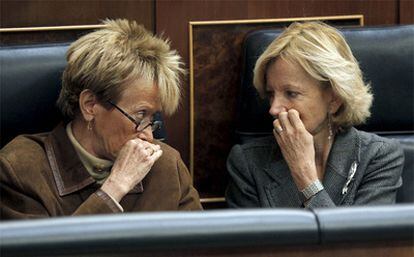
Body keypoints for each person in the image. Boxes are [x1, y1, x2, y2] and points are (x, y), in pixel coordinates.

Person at [0, 19, 202, 219]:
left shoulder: (166, 165)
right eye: (140, 115)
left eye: (153, 117)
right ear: (90, 105)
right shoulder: (19, 169)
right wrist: (115, 188)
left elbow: (203, 249)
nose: (149, 135)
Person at [226, 21, 404, 208]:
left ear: (334, 99)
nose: (274, 109)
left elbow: (359, 238)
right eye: (271, 94)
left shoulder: (378, 157)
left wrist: (305, 176)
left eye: (291, 93)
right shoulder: (247, 163)